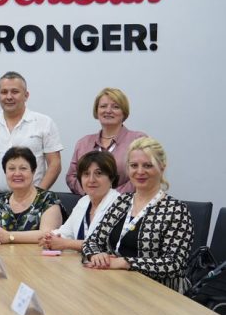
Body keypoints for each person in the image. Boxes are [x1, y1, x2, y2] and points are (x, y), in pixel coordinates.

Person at [83, 138, 194, 292]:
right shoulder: (122, 201)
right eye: (134, 165)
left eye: (148, 165)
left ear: (162, 167)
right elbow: (92, 241)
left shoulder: (176, 210)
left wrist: (125, 262)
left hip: (159, 292)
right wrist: (96, 255)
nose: (140, 172)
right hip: (115, 283)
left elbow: (174, 264)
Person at [0, 72, 63, 198]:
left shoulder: (44, 123)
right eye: (4, 92)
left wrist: (38, 196)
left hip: (33, 197)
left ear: (26, 95)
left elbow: (55, 164)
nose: (9, 97)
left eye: (15, 92)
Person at [0, 147, 62, 244]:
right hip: (2, 253)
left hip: (37, 254)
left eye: (23, 168)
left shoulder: (48, 200)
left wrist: (9, 237)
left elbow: (47, 234)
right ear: (5, 172)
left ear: (33, 171)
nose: (17, 173)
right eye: (11, 169)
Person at [66, 88, 147, 195]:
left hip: (127, 202)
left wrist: (111, 197)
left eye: (115, 107)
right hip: (90, 201)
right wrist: (91, 193)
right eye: (103, 106)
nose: (108, 111)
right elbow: (71, 177)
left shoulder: (138, 140)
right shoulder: (83, 143)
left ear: (124, 112)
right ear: (97, 111)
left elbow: (144, 174)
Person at [41, 151, 120, 252]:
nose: (91, 180)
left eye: (99, 173)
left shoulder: (119, 204)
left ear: (111, 178)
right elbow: (66, 232)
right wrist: (50, 238)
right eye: (86, 174)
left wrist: (66, 244)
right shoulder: (84, 201)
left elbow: (104, 245)